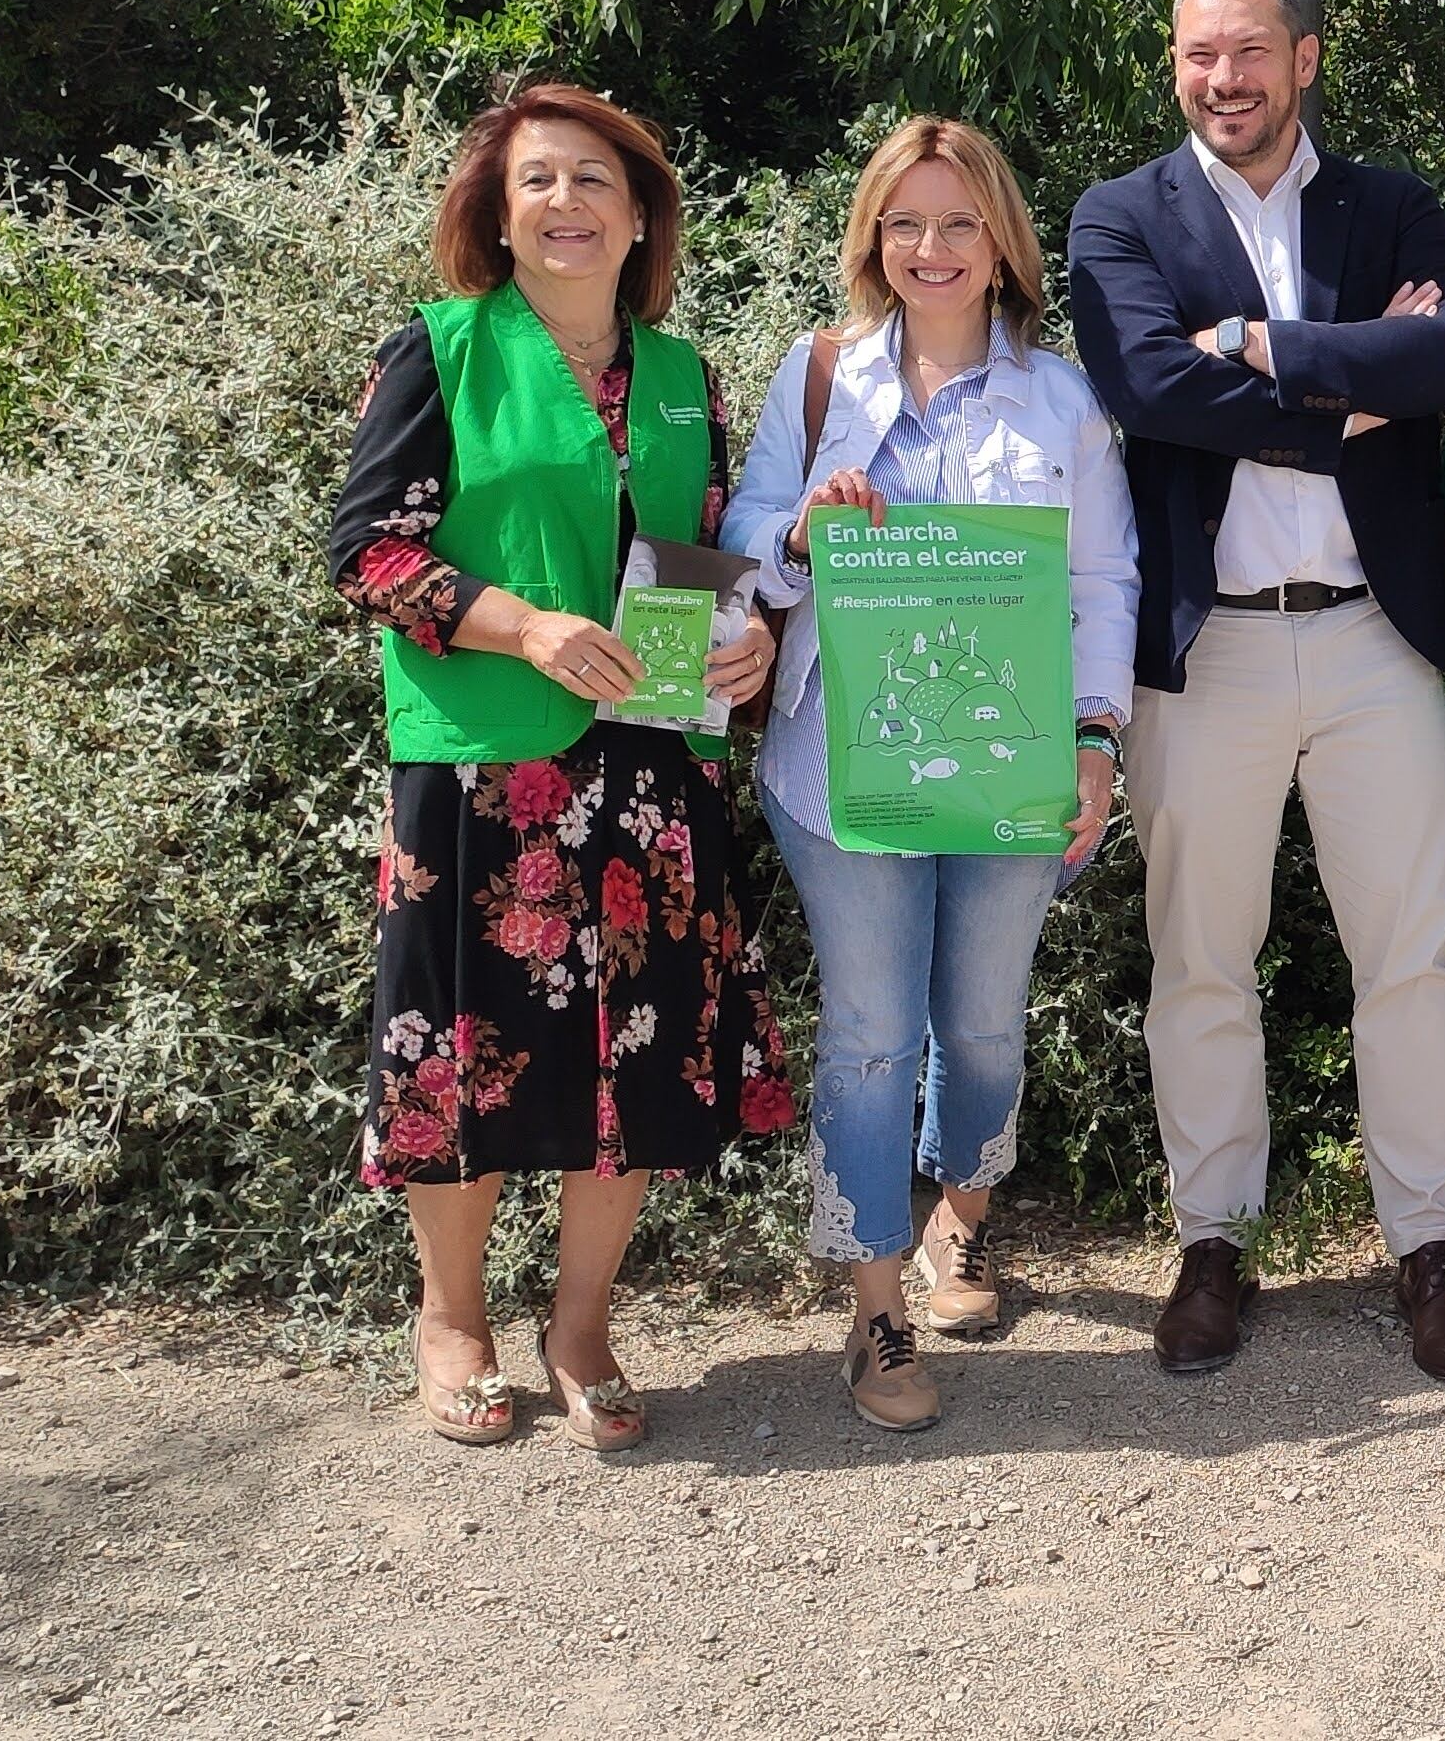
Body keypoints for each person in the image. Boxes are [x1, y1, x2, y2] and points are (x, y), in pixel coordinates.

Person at [329, 78, 793, 1452]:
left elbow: (713, 551)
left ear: (642, 211)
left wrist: (749, 643)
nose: (566, 203)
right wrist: (524, 625)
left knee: (634, 1056)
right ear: (498, 209)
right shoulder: (440, 349)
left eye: (594, 179)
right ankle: (452, 1315)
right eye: (538, 180)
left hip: (655, 771)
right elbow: (368, 550)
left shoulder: (684, 376)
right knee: (462, 1051)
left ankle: (581, 1322)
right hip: (483, 767)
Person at [1063, 0, 1445, 1382]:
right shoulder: (1123, 215)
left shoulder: (1392, 205)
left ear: (1303, 57)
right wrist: (1338, 404)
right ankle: (1213, 1242)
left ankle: (1430, 1245)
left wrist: (1263, 346)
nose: (1224, 80)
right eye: (1200, 56)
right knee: (1199, 961)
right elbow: (1145, 388)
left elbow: (1444, 361)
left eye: (1250, 51)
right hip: (1214, 643)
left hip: (1377, 633)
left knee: (1414, 959)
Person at [722, 117, 1137, 1431]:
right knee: (870, 1030)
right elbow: (742, 549)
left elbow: (1102, 582)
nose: (932, 247)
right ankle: (875, 1309)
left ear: (1000, 239)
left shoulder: (1062, 399)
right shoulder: (818, 373)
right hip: (839, 766)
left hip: (1012, 766)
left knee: (981, 1026)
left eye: (960, 223)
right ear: (874, 237)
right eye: (907, 222)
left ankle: (964, 1207)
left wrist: (1098, 737)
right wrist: (801, 526)